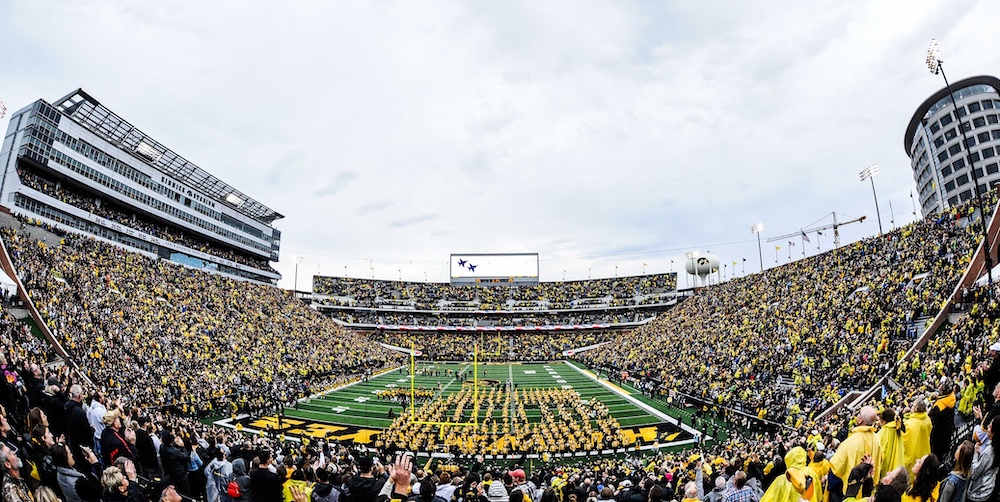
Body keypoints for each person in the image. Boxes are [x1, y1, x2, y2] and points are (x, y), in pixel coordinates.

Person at [829, 406, 883, 502]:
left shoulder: (852, 440)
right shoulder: (877, 439)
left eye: (859, 414)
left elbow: (836, 467)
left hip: (849, 491)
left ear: (860, 420)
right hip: (867, 488)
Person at [967, 416, 1000, 502]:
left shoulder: (989, 452)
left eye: (990, 426)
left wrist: (976, 455)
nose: (987, 427)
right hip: (990, 488)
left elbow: (974, 474)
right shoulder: (996, 448)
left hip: (979, 494)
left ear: (994, 433)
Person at [902, 399, 932, 474]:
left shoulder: (910, 423)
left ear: (916, 409)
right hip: (925, 450)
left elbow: (903, 439)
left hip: (913, 453)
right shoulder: (928, 419)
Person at [929, 380, 957, 461]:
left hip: (937, 440)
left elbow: (932, 426)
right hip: (947, 436)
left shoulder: (939, 407)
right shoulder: (952, 398)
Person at [877, 410, 905, 477]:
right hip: (899, 468)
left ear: (884, 421)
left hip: (887, 472)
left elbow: (880, 452)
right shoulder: (899, 429)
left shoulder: (883, 432)